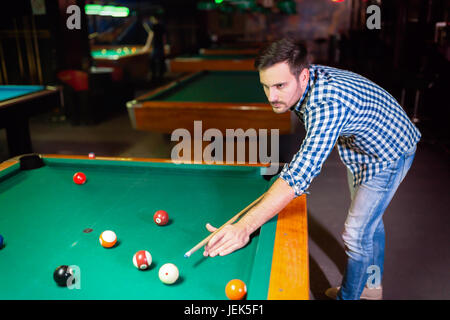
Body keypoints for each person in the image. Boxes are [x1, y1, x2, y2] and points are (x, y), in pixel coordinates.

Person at [202, 38, 421, 300]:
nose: (272, 97)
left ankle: (350, 296)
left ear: (303, 76)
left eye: (280, 86)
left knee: (356, 233)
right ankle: (372, 287)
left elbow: (298, 177)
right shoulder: (307, 79)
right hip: (360, 147)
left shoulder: (327, 104)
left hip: (389, 150)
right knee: (370, 224)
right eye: (265, 86)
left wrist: (245, 226)